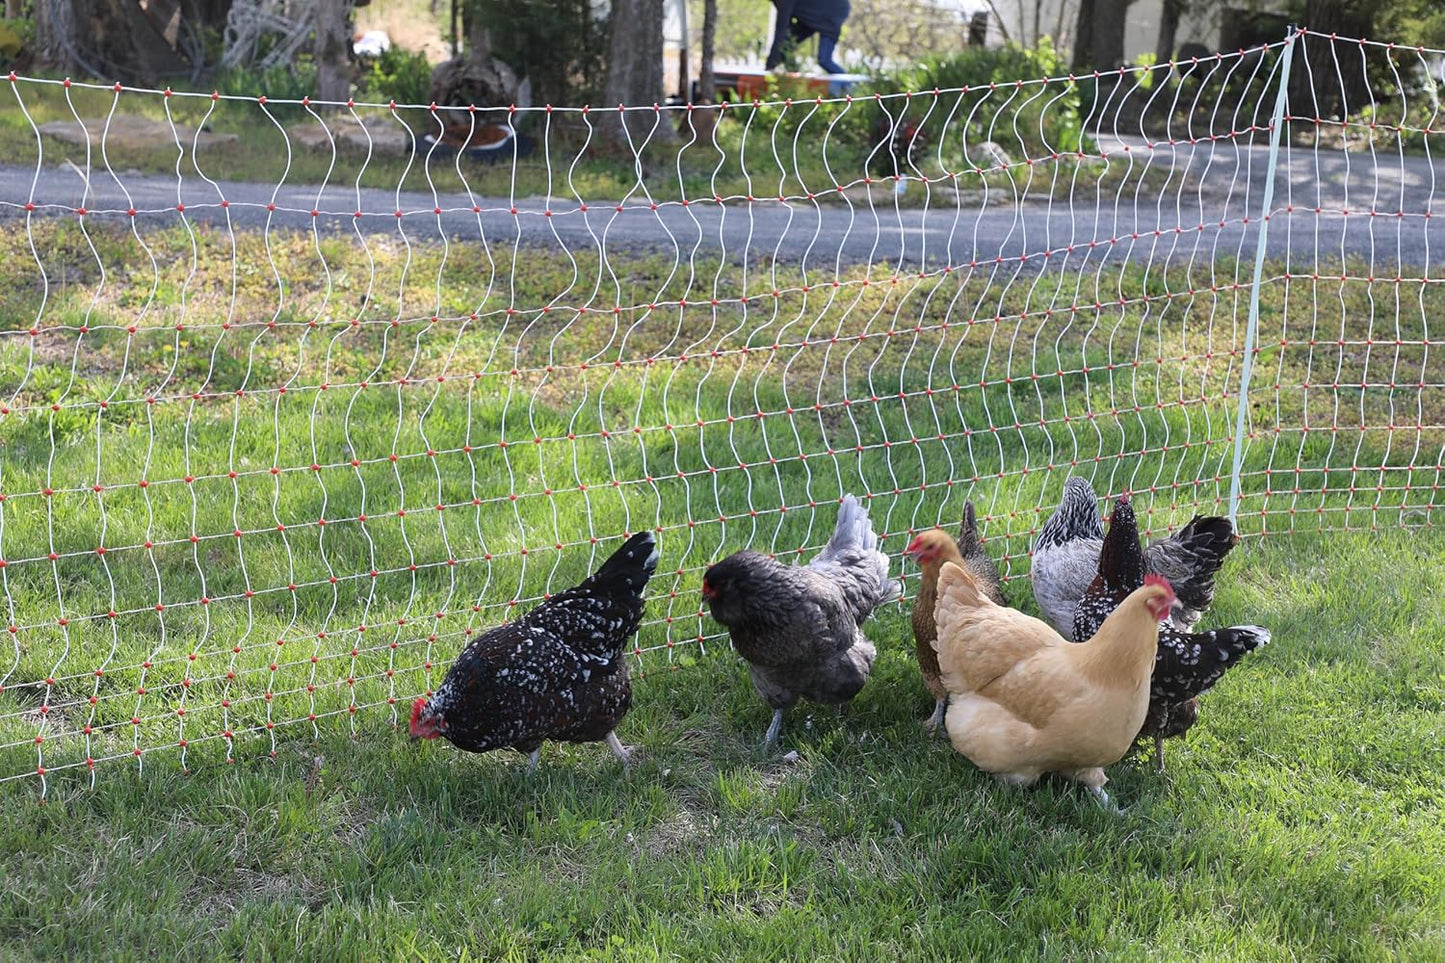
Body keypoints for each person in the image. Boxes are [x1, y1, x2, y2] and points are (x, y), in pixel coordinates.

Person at [764, 0, 851, 75]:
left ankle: (851, 85)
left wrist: (769, 66)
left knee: (824, 60)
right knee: (787, 44)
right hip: (812, 18)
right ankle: (794, 74)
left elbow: (781, 31)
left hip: (834, 11)